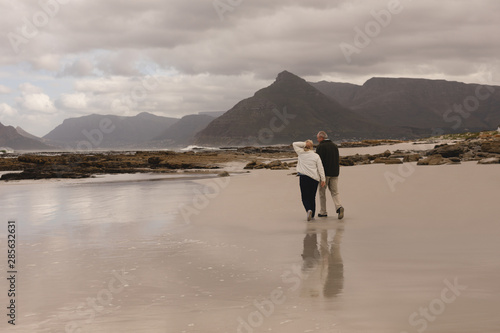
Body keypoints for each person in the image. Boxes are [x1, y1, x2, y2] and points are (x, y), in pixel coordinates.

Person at [293, 140, 325, 221]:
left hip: (304, 177)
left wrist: (304, 144)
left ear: (305, 146)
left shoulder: (301, 153)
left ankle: (308, 210)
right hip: (314, 179)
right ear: (312, 147)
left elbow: (294, 144)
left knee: (304, 197)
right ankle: (312, 214)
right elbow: (320, 168)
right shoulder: (316, 156)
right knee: (312, 197)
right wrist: (323, 179)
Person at [316, 131, 344, 219]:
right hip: (335, 172)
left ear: (321, 138)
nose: (317, 140)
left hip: (324, 174)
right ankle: (339, 207)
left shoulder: (320, 147)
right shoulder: (334, 146)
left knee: (322, 193)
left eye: (318, 138)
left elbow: (318, 161)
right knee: (335, 192)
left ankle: (323, 211)